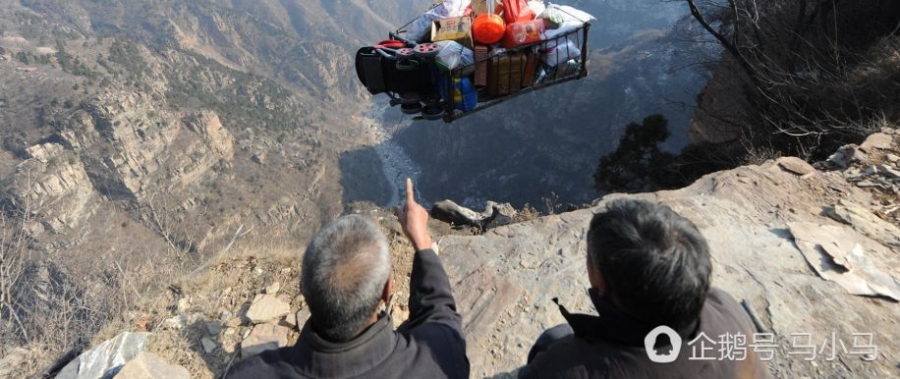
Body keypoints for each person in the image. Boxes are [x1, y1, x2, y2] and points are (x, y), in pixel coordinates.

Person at [228, 178, 469, 379]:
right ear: (387, 291)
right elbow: (440, 315)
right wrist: (422, 242)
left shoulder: (250, 374)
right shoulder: (440, 359)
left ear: (303, 288)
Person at [521, 198, 772, 379]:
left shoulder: (567, 369)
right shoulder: (724, 306)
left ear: (602, 285)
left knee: (553, 338)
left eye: (591, 258)